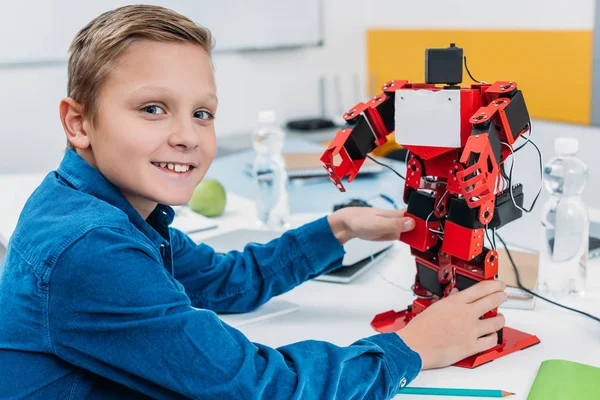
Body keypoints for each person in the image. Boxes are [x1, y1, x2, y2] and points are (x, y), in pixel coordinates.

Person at [0, 5, 507, 399]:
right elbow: (261, 388)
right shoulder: (92, 248)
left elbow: (224, 281)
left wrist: (339, 228)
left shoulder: (104, 210)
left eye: (203, 113)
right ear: (78, 123)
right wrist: (415, 347)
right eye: (152, 109)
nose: (187, 136)